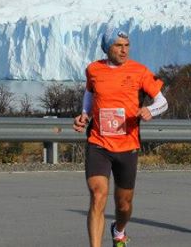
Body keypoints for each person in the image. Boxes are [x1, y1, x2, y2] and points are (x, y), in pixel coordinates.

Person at [73, 27, 168, 247]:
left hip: (127, 145)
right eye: (118, 45)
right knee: (98, 195)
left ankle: (119, 229)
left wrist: (150, 111)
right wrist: (85, 115)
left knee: (123, 205)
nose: (124, 50)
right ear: (107, 48)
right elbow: (90, 93)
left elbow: (162, 101)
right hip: (99, 143)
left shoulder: (140, 71)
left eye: (127, 46)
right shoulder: (94, 70)